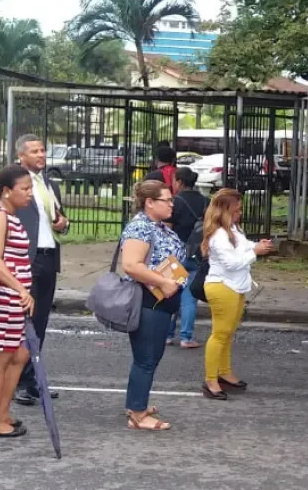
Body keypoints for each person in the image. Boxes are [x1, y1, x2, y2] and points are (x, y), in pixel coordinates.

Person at [120, 180, 187, 431]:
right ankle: (138, 415)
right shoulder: (140, 227)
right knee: (146, 359)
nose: (172, 204)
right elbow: (131, 265)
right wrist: (163, 282)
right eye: (167, 200)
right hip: (150, 300)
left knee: (148, 357)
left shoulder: (155, 226)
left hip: (161, 300)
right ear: (149, 202)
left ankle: (136, 404)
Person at [12, 134, 71, 406]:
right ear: (21, 156)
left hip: (49, 258)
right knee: (26, 323)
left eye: (43, 150)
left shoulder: (50, 185)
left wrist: (63, 224)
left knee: (41, 323)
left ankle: (33, 379)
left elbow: (59, 219)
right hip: (26, 259)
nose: (41, 155)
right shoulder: (13, 183)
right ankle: (20, 383)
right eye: (34, 151)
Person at [0, 164, 35, 437]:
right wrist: (20, 289)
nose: (30, 194)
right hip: (3, 299)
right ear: (7, 191)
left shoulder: (10, 215)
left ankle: (2, 413)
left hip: (13, 300)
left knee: (19, 354)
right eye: (25, 189)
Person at [200, 189, 274, 400]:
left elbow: (244, 246)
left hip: (235, 286)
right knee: (220, 334)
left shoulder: (232, 229)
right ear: (225, 210)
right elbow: (232, 263)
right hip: (223, 285)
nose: (240, 213)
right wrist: (255, 252)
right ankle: (211, 379)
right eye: (237, 210)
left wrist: (257, 246)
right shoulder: (219, 234)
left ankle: (223, 372)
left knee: (227, 333)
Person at [165, 167, 209, 348]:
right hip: (197, 255)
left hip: (176, 255)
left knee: (169, 293)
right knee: (190, 297)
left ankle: (166, 335)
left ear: (180, 182)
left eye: (174, 181)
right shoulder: (207, 202)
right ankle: (186, 337)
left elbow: (167, 229)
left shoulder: (175, 203)